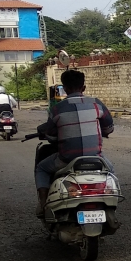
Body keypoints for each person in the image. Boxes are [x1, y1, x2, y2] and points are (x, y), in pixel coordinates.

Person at [33, 70, 113, 218]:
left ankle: (43, 204)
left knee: (41, 169)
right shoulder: (97, 104)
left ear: (65, 88)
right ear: (84, 87)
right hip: (96, 158)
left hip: (66, 160)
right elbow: (109, 128)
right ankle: (110, 200)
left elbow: (51, 135)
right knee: (110, 171)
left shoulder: (57, 109)